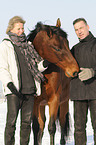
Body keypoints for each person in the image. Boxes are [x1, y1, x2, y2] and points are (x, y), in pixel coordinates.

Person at [0, 16, 49, 145]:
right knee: (11, 123)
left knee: (26, 124)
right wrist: (10, 85)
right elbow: (2, 68)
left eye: (22, 28)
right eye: (18, 28)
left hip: (30, 90)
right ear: (11, 29)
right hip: (14, 91)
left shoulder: (28, 45)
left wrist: (45, 63)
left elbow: (36, 65)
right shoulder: (6, 45)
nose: (21, 31)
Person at [70, 18, 96, 145]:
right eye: (76, 30)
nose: (79, 32)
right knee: (79, 128)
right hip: (78, 93)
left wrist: (93, 72)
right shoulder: (73, 49)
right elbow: (66, 67)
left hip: (95, 92)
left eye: (81, 28)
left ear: (88, 26)